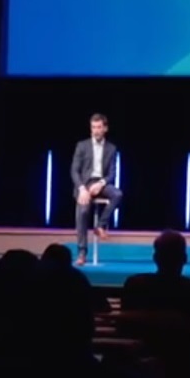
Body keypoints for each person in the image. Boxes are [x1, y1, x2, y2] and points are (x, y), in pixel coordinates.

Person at [70, 113, 122, 265]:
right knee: (83, 210)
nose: (96, 131)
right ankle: (82, 253)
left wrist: (102, 183)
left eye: (99, 127)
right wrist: (81, 188)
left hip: (101, 183)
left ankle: (100, 225)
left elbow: (112, 173)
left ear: (105, 128)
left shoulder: (112, 148)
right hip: (84, 184)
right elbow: (74, 170)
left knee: (118, 194)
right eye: (93, 127)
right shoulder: (82, 145)